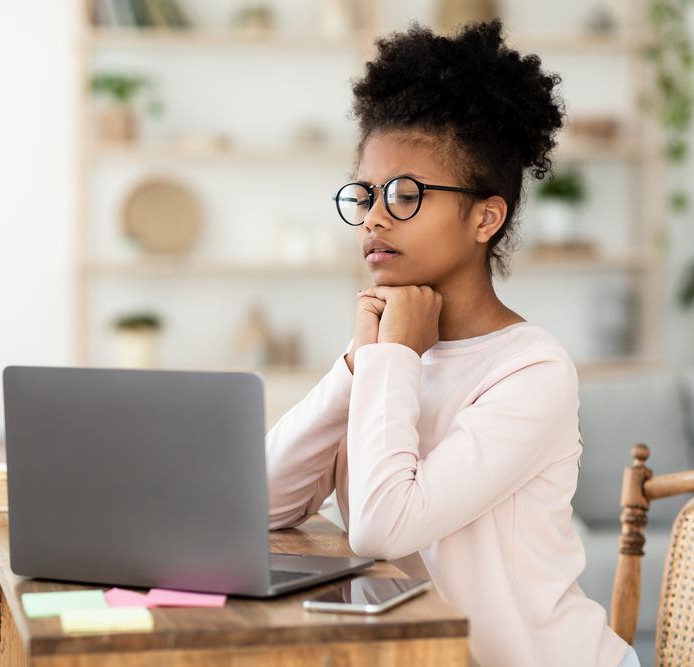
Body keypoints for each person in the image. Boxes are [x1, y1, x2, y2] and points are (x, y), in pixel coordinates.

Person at [265, 20, 639, 667]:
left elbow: (384, 525)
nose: (375, 217)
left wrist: (390, 357)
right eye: (365, 194)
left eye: (405, 194)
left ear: (485, 217)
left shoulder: (532, 370)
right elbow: (260, 504)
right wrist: (357, 364)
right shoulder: (386, 358)